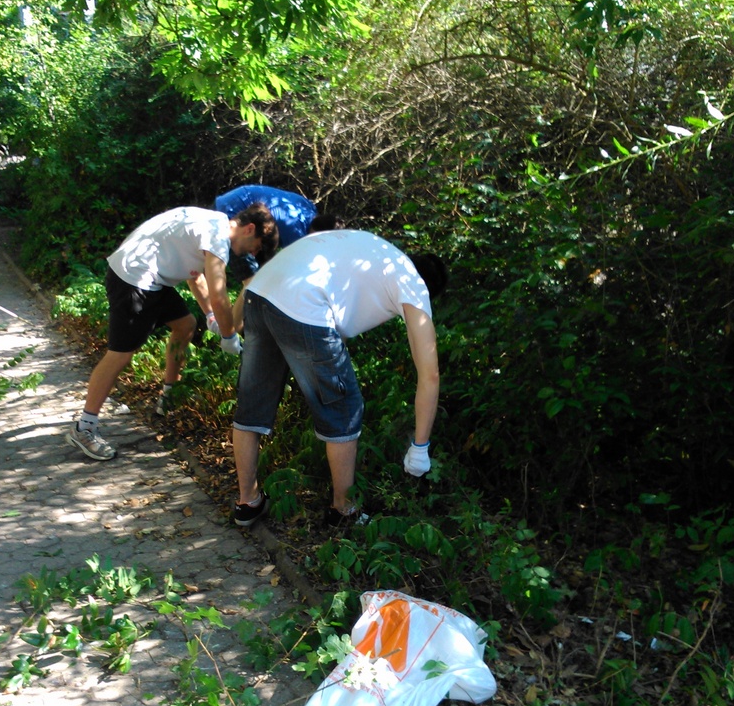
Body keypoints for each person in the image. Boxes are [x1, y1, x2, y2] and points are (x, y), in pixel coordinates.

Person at [230, 229, 448, 528]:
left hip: (260, 291)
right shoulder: (413, 283)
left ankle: (247, 501)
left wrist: (230, 324)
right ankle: (343, 510)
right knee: (345, 407)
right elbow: (430, 373)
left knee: (253, 401)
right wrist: (420, 446)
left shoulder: (379, 252)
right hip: (303, 303)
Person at [66, 204, 279, 461]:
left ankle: (169, 396)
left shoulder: (213, 224)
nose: (252, 252)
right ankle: (84, 427)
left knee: (185, 325)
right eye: (256, 246)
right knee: (120, 355)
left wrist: (209, 315)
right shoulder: (218, 236)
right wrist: (228, 335)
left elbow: (196, 277)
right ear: (250, 228)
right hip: (135, 279)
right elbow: (219, 295)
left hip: (151, 278)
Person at [190, 185, 327, 337]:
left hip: (233, 207)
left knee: (194, 263)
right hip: (234, 218)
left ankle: (215, 318)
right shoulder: (298, 234)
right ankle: (229, 331)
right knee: (253, 280)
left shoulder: (309, 210)